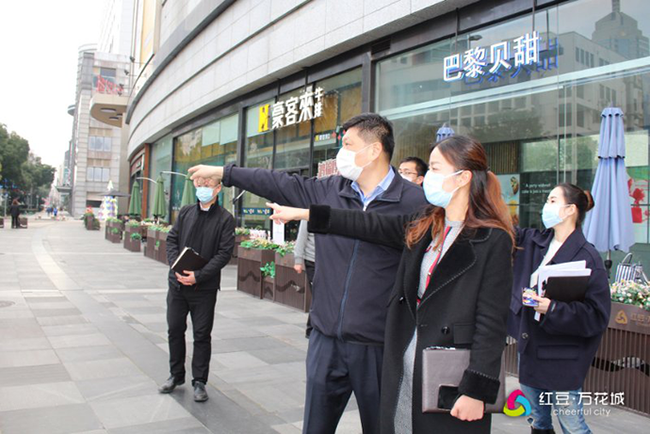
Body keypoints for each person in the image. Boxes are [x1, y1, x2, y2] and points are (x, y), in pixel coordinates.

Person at [188, 113, 427, 433]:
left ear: (373, 150)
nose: (340, 154)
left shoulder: (415, 202)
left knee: (382, 428)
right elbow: (278, 182)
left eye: (347, 145)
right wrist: (224, 172)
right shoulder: (330, 190)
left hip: (378, 344)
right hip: (326, 339)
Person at [268, 135, 514, 434]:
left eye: (436, 169)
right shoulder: (425, 223)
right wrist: (305, 214)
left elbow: (491, 322)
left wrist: (476, 390)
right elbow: (367, 224)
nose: (428, 178)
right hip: (403, 361)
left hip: (449, 371)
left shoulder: (492, 239)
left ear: (463, 177)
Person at [509, 184, 611, 434]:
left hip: (562, 355)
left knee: (572, 425)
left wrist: (552, 308)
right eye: (548, 200)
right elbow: (503, 230)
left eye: (553, 200)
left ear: (570, 210)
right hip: (530, 347)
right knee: (538, 421)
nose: (546, 206)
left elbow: (597, 316)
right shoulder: (533, 241)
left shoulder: (588, 257)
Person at [160, 176, 235, 402]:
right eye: (200, 185)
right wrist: (175, 265)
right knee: (175, 329)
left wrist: (198, 276)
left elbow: (224, 254)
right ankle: (176, 375)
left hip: (204, 288)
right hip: (177, 284)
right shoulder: (185, 212)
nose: (203, 189)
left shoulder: (225, 219)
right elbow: (172, 240)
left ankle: (199, 381)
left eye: (208, 185)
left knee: (202, 335)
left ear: (218, 189)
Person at [294, 220, 316, 337]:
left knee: (321, 295)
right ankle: (311, 329)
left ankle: (314, 328)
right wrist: (298, 260)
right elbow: (302, 237)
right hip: (312, 260)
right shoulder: (308, 214)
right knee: (318, 294)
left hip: (327, 260)